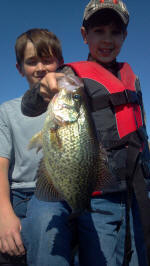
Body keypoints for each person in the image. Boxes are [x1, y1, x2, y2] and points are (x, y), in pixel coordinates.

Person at [21, 1, 150, 266]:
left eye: (115, 32)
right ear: (84, 35)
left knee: (139, 256)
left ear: (125, 36)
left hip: (137, 193)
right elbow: (29, 105)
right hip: (100, 197)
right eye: (99, 31)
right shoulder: (70, 76)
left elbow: (141, 127)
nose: (107, 39)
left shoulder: (132, 78)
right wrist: (43, 89)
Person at [0, 28, 64, 266]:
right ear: (19, 69)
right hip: (22, 195)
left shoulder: (73, 102)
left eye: (47, 60)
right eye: (31, 62)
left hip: (66, 191)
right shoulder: (7, 110)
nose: (40, 68)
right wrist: (4, 215)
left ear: (59, 62)